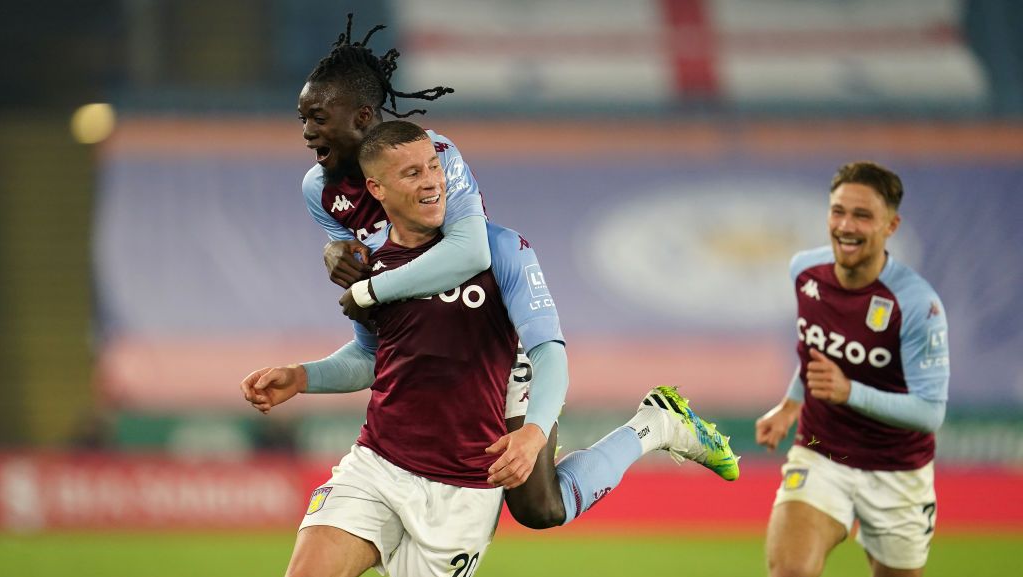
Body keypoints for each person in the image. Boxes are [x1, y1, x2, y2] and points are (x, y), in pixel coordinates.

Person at [243, 122, 738, 577]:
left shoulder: (502, 249)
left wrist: (534, 430)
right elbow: (373, 359)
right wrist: (303, 376)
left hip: (465, 486)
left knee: (542, 508)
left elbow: (550, 353)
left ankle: (653, 427)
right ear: (376, 188)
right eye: (411, 173)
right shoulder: (368, 264)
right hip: (377, 465)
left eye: (434, 167)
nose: (432, 180)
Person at [293, 14, 737, 534]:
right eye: (302, 117)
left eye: (318, 117)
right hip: (432, 340)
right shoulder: (317, 191)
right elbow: (365, 292)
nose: (306, 132)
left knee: (538, 507)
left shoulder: (431, 154)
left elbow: (469, 253)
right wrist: (337, 255)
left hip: (491, 334)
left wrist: (370, 287)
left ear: (363, 116)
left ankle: (656, 424)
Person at [755, 161, 950, 577]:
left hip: (898, 471)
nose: (846, 225)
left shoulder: (917, 304)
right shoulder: (805, 272)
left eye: (862, 215)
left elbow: (930, 413)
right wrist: (791, 405)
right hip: (822, 451)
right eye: (838, 211)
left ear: (890, 225)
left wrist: (850, 392)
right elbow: (816, 353)